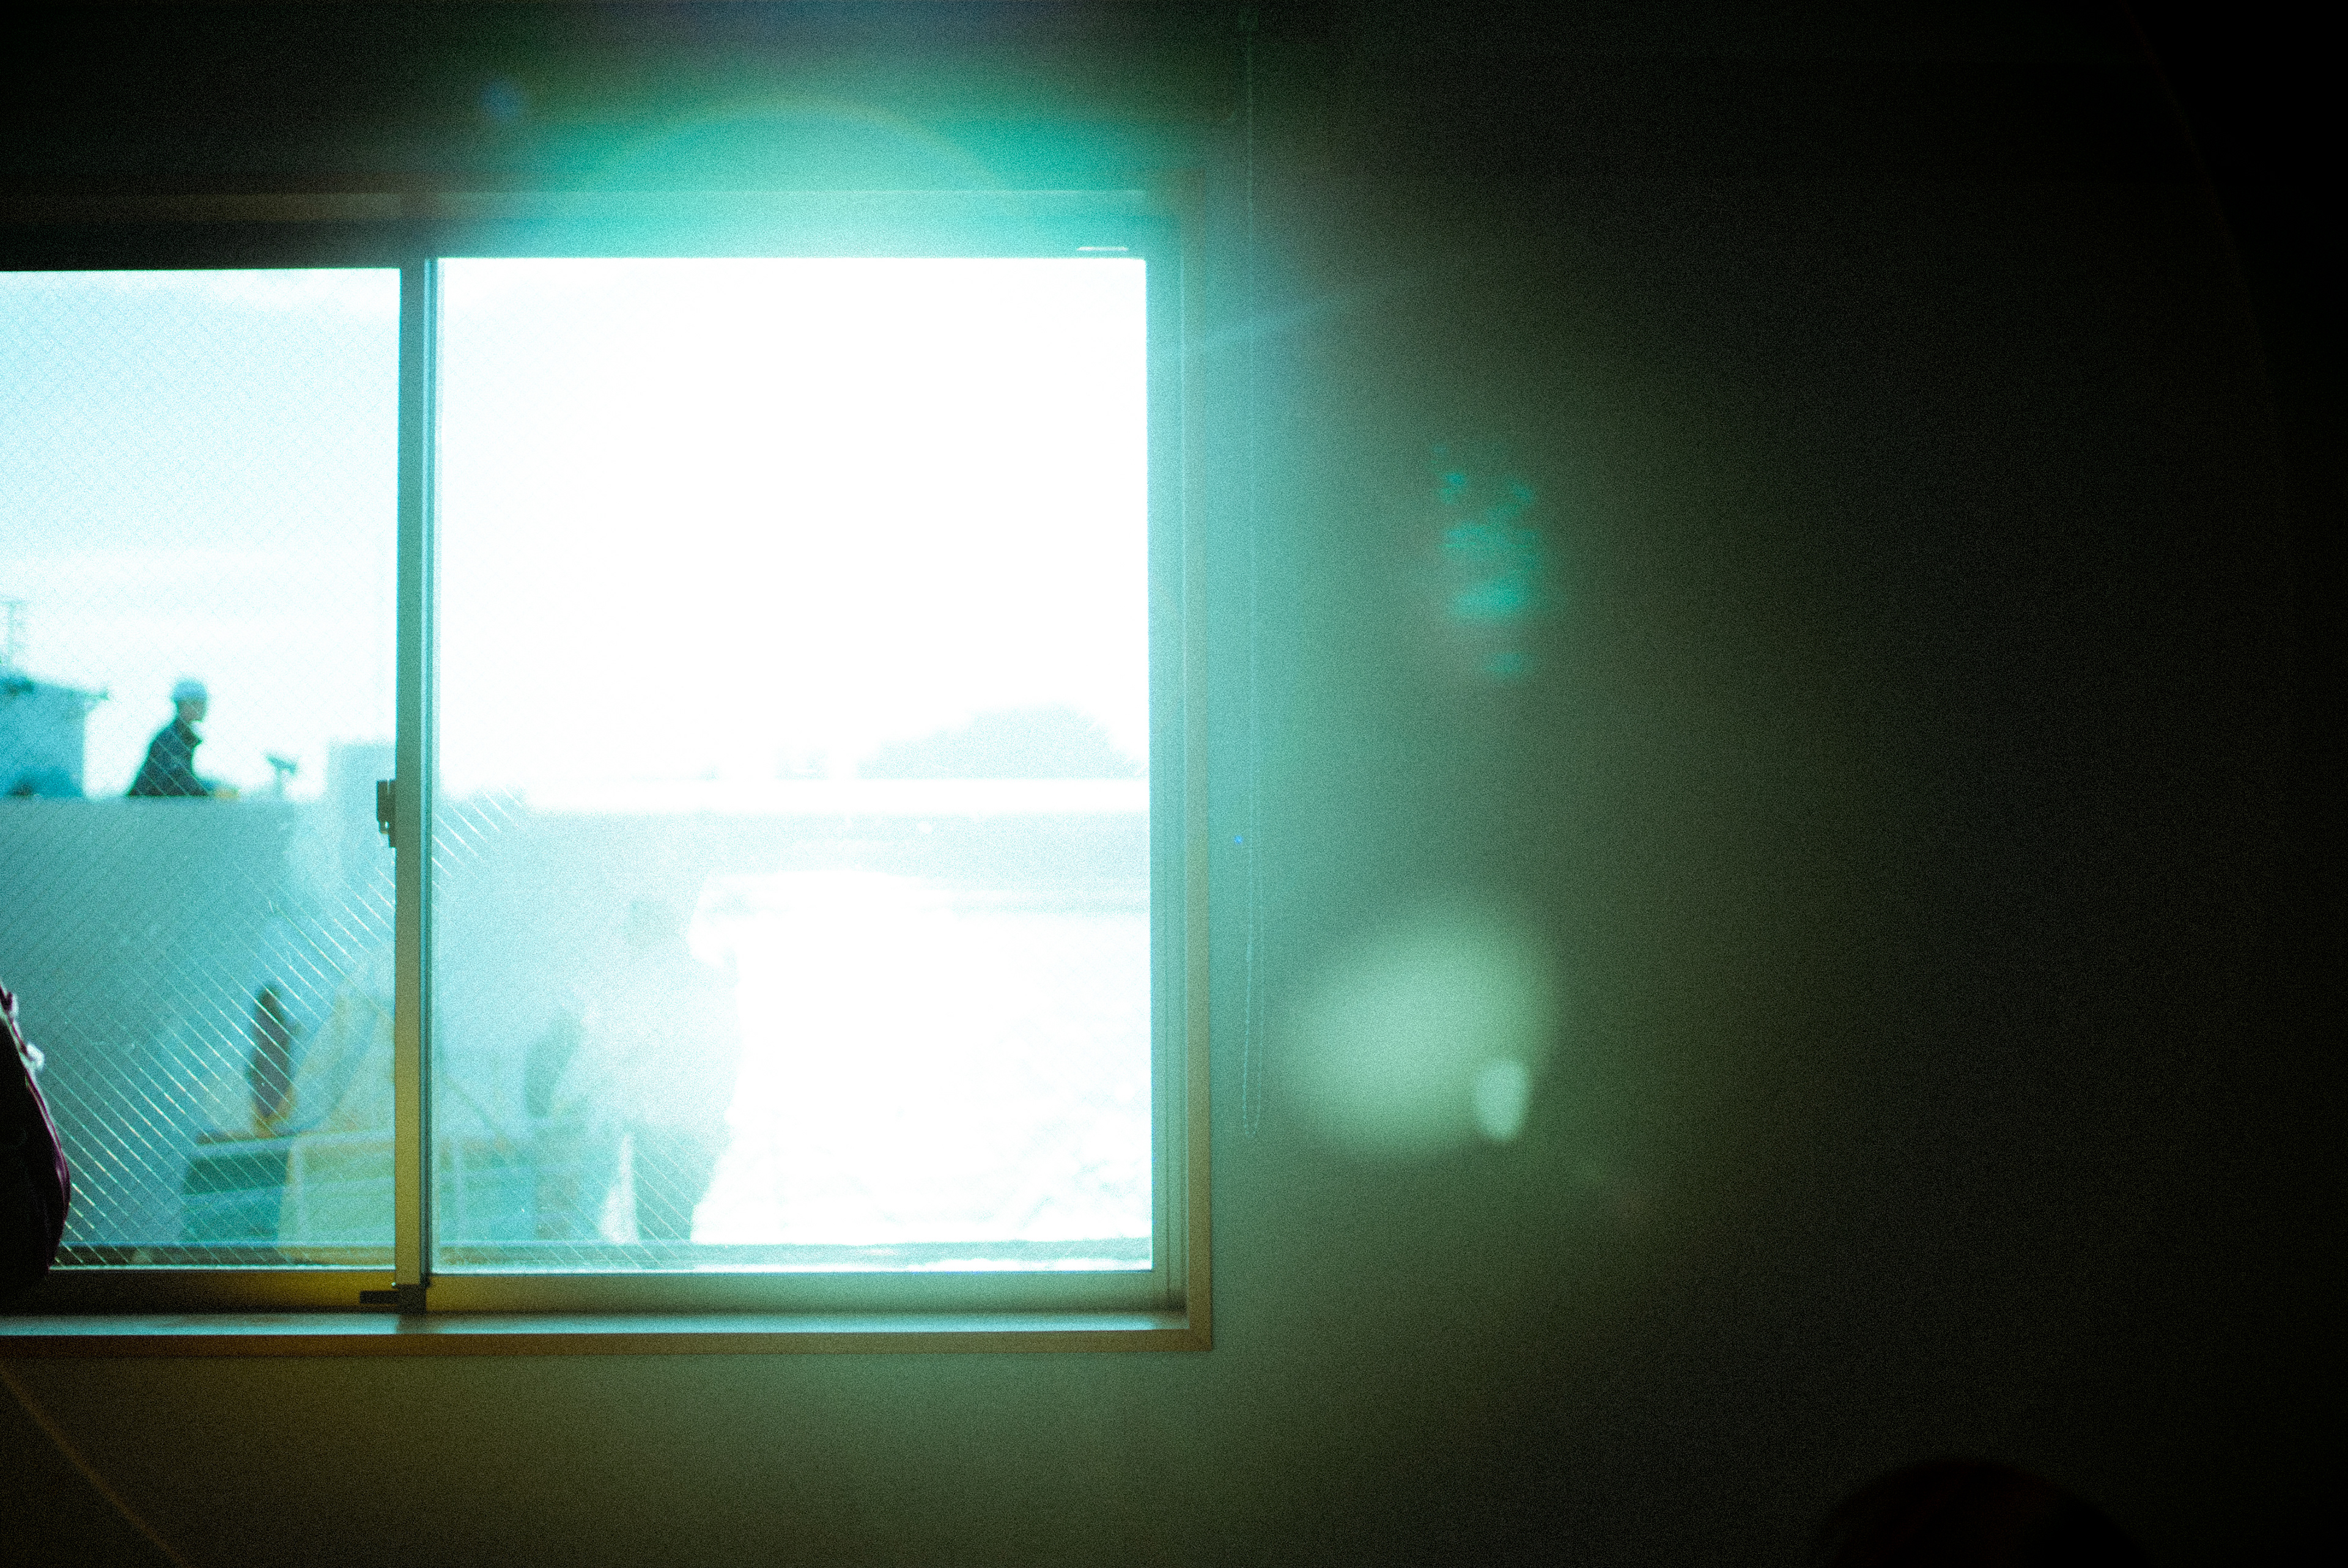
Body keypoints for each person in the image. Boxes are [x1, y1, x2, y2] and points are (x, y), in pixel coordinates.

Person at [127, 677, 231, 798]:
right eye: (198, 703)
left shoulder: (181, 734)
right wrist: (212, 789)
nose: (204, 708)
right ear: (183, 705)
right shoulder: (171, 738)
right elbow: (175, 782)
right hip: (148, 805)